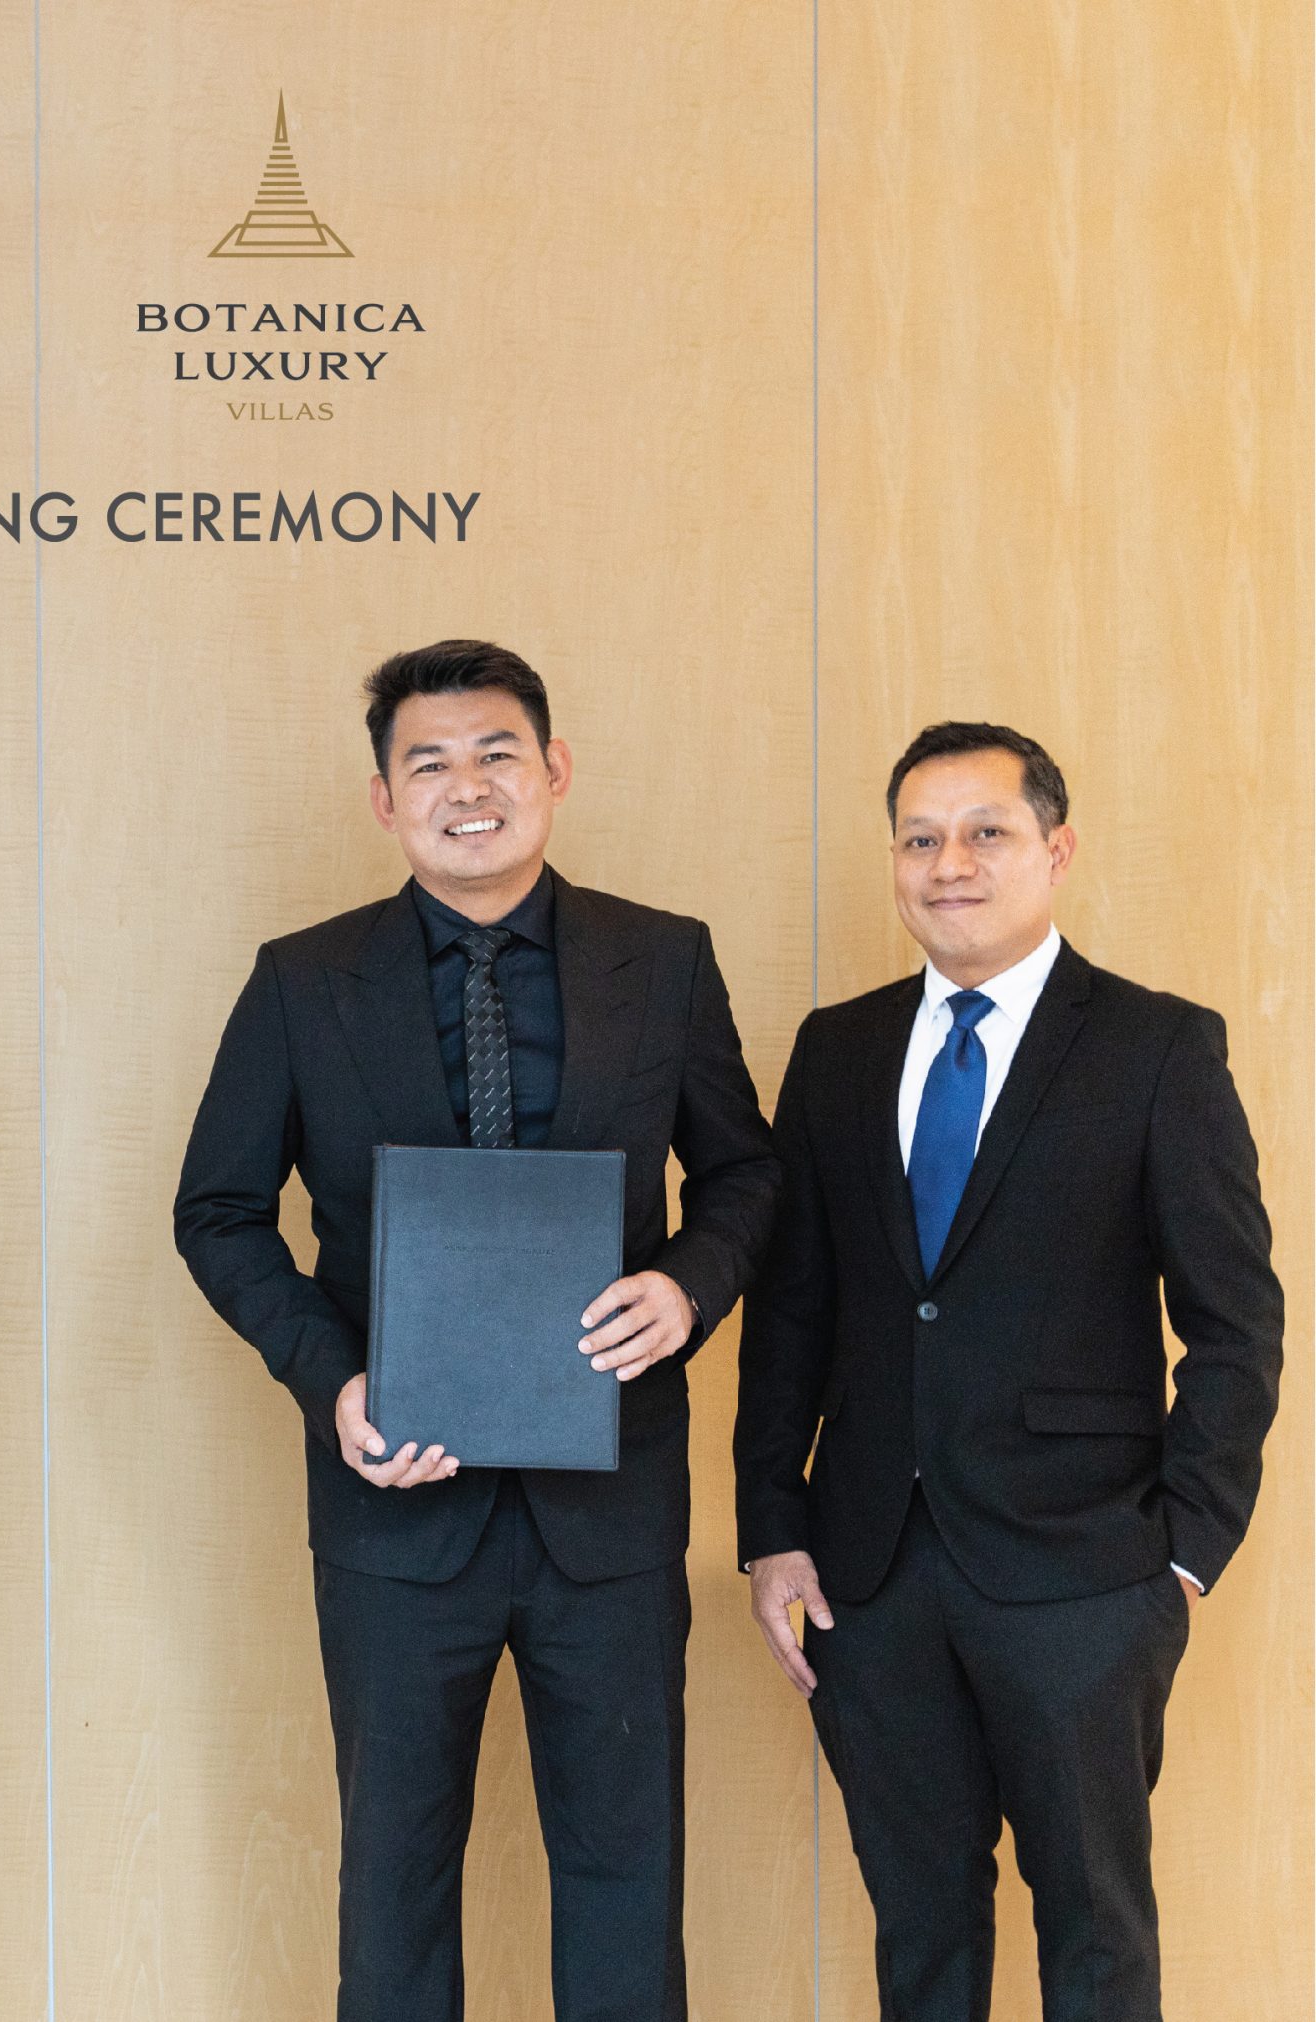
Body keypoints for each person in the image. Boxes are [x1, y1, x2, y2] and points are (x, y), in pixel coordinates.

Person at [173, 640, 779, 2021]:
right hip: (394, 1504)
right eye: (429, 763)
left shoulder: (663, 959)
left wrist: (687, 1287)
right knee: (392, 1888)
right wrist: (331, 1379)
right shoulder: (303, 978)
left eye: (497, 753)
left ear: (554, 770)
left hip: (611, 1508)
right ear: (384, 800)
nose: (468, 787)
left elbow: (746, 1174)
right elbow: (217, 1211)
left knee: (626, 1879)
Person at [734, 722, 1284, 2022]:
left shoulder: (1156, 1048)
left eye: (986, 832)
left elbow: (1234, 1319)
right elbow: (791, 1308)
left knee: (1095, 1930)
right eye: (920, 839)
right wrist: (772, 1526)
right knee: (920, 1929)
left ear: (1056, 849)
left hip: (1086, 1573)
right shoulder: (836, 1050)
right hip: (870, 1572)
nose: (951, 864)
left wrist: (1183, 1553)